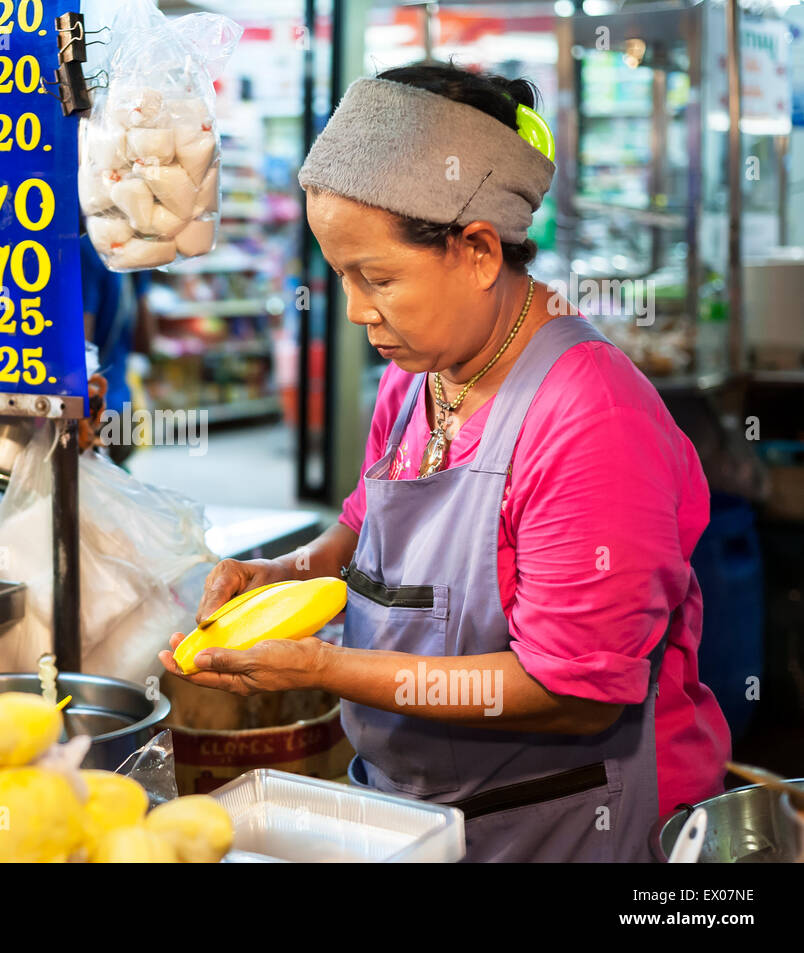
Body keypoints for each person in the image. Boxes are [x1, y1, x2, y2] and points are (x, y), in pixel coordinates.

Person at [160, 63, 731, 862]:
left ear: (477, 250)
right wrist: (287, 574)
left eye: (377, 276)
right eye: (341, 276)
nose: (356, 309)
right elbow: (367, 524)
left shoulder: (591, 421)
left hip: (559, 825)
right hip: (416, 815)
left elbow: (566, 692)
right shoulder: (421, 372)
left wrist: (326, 665)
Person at [79, 237, 155, 466]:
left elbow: (81, 348)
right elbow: (146, 342)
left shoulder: (87, 250)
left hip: (92, 414)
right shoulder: (138, 252)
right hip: (121, 405)